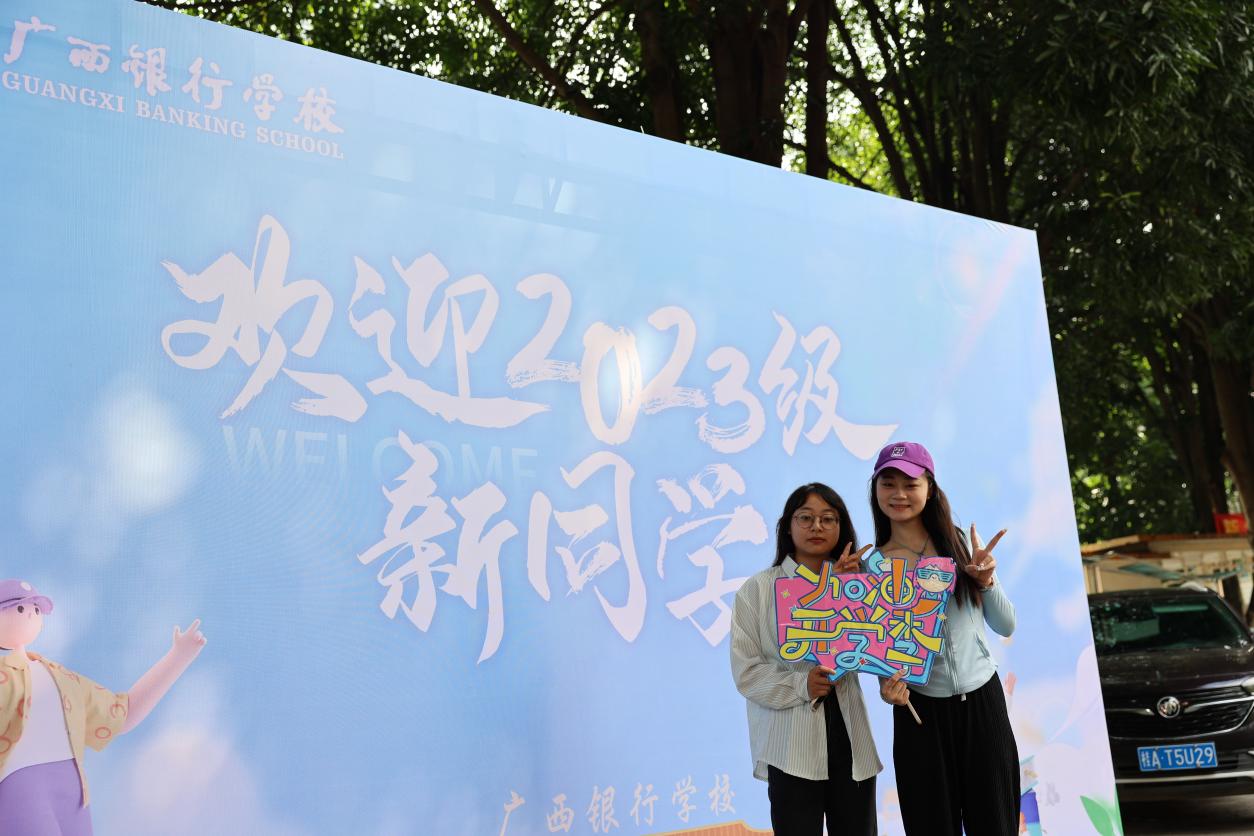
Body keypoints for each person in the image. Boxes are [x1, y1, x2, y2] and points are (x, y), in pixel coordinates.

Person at [867, 442, 1019, 835]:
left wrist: (985, 581)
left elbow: (1006, 624)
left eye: (910, 483)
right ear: (876, 489)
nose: (899, 494)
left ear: (930, 488)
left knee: (997, 824)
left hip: (982, 704)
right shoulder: (872, 566)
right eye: (888, 483)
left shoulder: (963, 544)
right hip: (919, 715)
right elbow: (879, 653)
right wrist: (887, 687)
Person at [730, 482, 881, 836]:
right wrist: (801, 684)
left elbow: (882, 647)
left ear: (842, 527)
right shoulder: (757, 590)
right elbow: (746, 672)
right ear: (787, 526)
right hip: (790, 748)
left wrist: (852, 591)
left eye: (828, 519)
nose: (817, 526)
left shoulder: (858, 585)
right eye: (806, 518)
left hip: (851, 744)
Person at [0, 579, 207, 835]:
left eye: (35, 608)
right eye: (20, 608)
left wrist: (178, 657)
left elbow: (123, 712)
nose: (30, 613)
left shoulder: (63, 678)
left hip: (75, 792)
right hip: (21, 788)